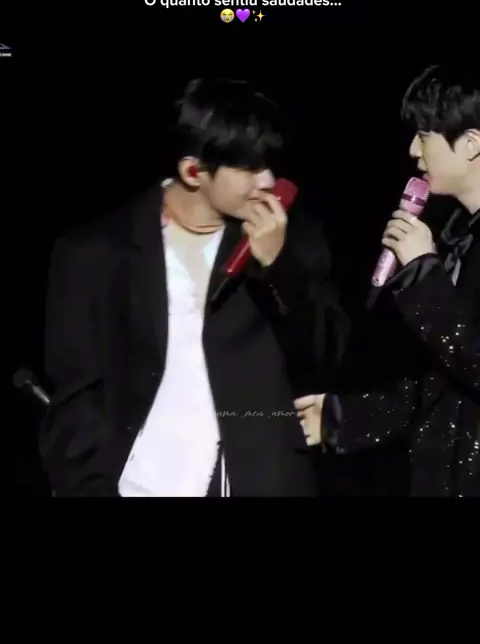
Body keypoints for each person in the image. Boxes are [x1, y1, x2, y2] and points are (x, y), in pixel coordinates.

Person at [39, 77, 349, 497]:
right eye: (249, 168)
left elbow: (323, 359)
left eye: (267, 164)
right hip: (135, 485)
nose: (268, 180)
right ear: (193, 171)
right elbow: (76, 401)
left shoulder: (294, 240)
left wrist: (279, 269)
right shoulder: (95, 253)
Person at [296, 63, 480, 496]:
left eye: (424, 135)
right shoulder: (457, 236)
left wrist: (423, 275)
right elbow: (435, 386)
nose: (414, 150)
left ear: (472, 143)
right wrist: (338, 419)